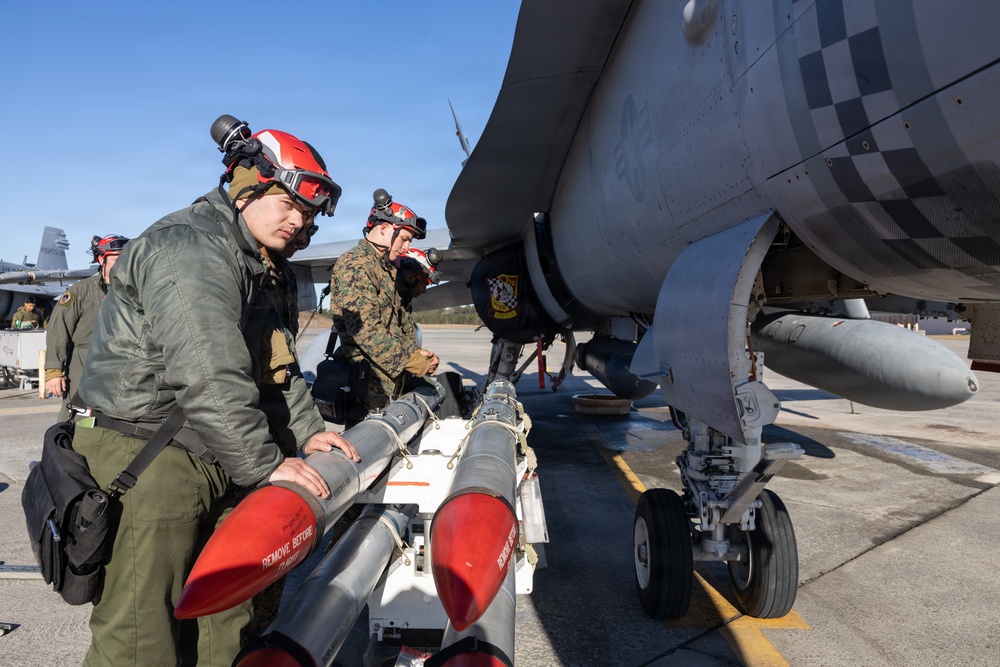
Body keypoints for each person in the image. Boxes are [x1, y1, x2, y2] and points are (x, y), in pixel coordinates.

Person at [73, 121, 360, 667]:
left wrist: (311, 435)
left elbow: (278, 370)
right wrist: (265, 463)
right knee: (142, 634)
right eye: (287, 203)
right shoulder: (190, 248)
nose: (300, 221)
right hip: (148, 456)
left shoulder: (258, 263)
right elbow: (209, 372)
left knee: (225, 619)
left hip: (214, 450)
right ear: (246, 185)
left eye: (310, 214)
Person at [328, 189, 439, 425]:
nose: (406, 246)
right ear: (386, 228)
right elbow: (365, 330)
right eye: (405, 238)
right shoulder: (356, 263)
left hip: (385, 381)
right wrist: (413, 361)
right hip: (365, 386)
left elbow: (392, 326)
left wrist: (415, 354)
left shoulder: (384, 268)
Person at [43, 234, 128, 420]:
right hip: (83, 366)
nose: (123, 264)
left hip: (122, 367)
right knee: (77, 419)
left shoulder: (134, 291)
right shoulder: (80, 291)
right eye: (116, 259)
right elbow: (58, 330)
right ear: (101, 259)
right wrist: (53, 370)